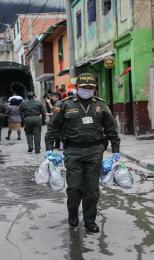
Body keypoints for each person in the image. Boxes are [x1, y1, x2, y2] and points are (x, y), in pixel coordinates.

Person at [45, 73, 120, 233]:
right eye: (84, 87)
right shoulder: (65, 105)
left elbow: (111, 129)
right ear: (77, 87)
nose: (87, 90)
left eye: (90, 88)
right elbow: (53, 128)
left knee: (92, 190)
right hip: (73, 151)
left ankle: (89, 221)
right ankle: (72, 215)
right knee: (74, 188)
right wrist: (49, 149)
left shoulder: (101, 105)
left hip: (94, 151)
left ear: (94, 89)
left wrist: (116, 151)